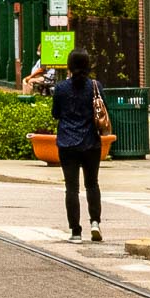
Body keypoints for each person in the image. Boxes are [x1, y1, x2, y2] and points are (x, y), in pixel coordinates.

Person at [49, 48, 104, 243]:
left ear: (69, 66)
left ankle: (75, 231)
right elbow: (102, 110)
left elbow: (55, 113)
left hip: (67, 142)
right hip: (91, 142)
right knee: (92, 184)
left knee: (72, 188)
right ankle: (95, 222)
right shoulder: (95, 86)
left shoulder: (61, 88)